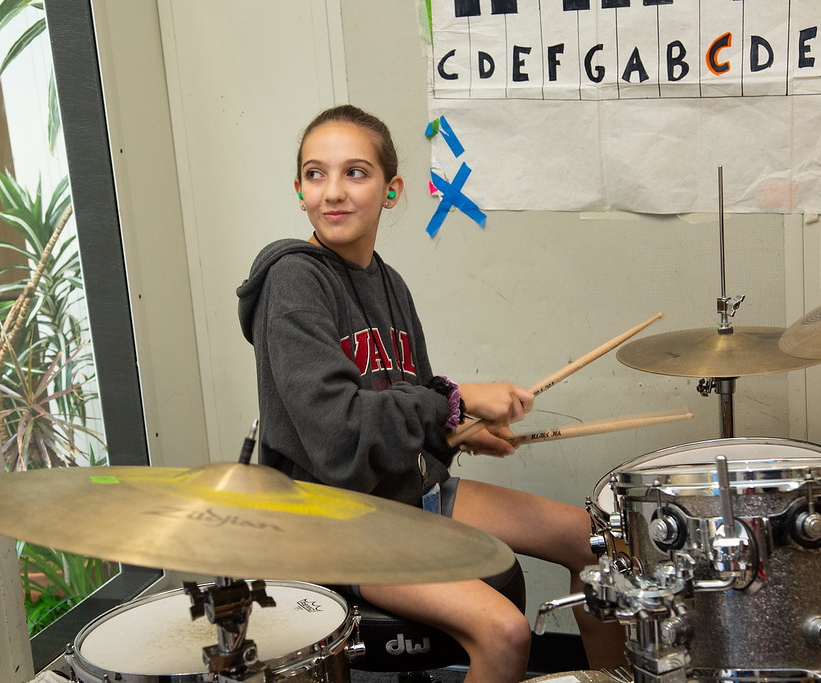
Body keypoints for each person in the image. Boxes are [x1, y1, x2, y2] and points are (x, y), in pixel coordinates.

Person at [237, 104, 625, 682]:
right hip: (334, 520)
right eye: (316, 174)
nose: (333, 192)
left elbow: (406, 399)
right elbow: (341, 438)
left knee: (598, 545)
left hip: (403, 493)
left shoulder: (389, 283)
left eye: (356, 173)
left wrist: (456, 433)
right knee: (505, 632)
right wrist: (456, 400)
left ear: (391, 190)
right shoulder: (293, 282)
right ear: (299, 190)